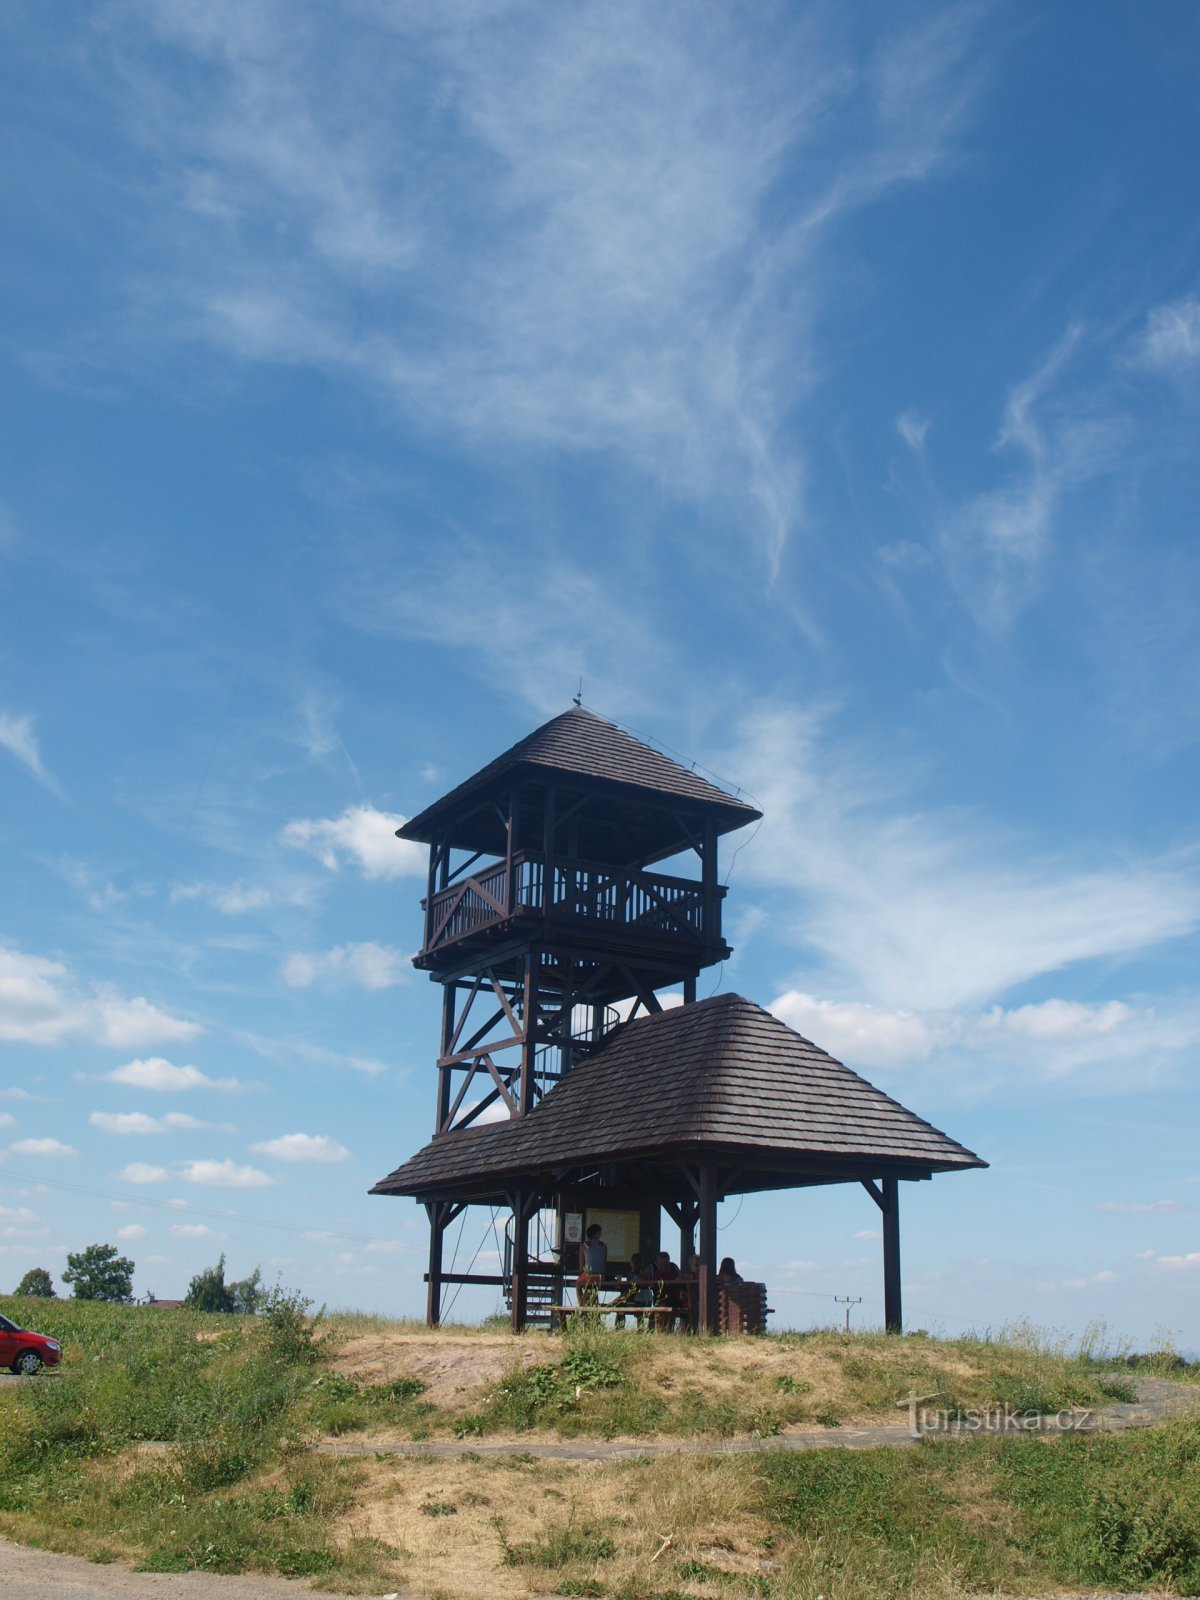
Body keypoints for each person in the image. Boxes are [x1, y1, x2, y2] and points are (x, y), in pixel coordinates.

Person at [576, 1223, 607, 1304]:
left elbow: (581, 1267)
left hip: (588, 1276)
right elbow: (603, 1263)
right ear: (597, 1233)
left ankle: (582, 1306)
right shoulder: (604, 1246)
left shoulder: (584, 1245)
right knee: (593, 1288)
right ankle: (592, 1305)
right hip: (601, 1277)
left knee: (578, 1284)